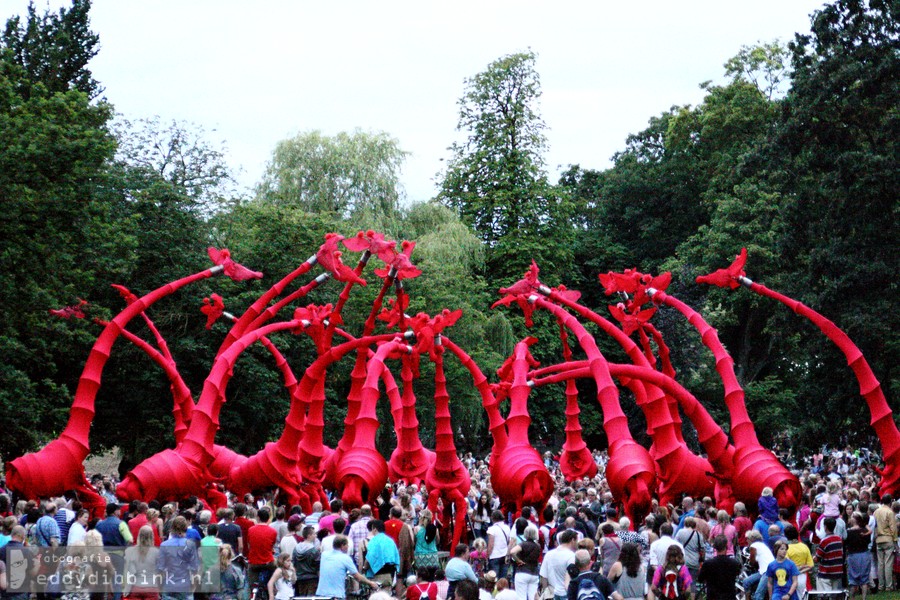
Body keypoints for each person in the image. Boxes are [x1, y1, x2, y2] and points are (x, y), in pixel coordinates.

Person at [315, 535, 381, 599]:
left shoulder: (324, 555)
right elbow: (357, 577)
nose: (348, 546)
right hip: (336, 596)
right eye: (347, 545)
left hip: (321, 594)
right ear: (342, 546)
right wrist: (371, 583)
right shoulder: (345, 558)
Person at [157, 516, 200, 600]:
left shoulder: (164, 545)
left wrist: (159, 588)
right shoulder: (190, 545)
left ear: (172, 528)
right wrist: (194, 587)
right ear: (186, 528)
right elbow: (195, 568)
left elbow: (160, 569)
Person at [697, 535, 740, 600]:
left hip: (713, 596)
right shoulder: (734, 563)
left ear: (715, 547)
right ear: (726, 547)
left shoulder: (708, 564)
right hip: (729, 597)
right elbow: (737, 574)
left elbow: (700, 579)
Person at [124, 525, 160, 600]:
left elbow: (130, 573)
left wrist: (126, 590)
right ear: (152, 536)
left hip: (136, 587)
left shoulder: (130, 551)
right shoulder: (156, 552)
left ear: (139, 535)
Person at [540, 530, 578, 600]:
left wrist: (546, 592)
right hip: (566, 593)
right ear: (572, 540)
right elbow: (573, 576)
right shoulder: (572, 556)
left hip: (552, 593)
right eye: (576, 540)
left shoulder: (549, 554)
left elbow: (543, 576)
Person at [362, 519, 400, 591]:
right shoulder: (390, 541)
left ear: (375, 529)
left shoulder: (374, 541)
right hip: (389, 575)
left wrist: (364, 568)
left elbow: (370, 558)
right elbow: (396, 558)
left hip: (376, 575)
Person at [247, 508, 277, 593]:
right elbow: (271, 546)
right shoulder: (273, 531)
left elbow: (249, 546)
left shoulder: (251, 530)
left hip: (254, 562)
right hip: (268, 562)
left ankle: (252, 593)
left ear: (258, 517)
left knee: (252, 585)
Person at [509, 526, 540, 600]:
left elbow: (512, 552)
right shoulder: (538, 546)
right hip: (534, 573)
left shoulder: (523, 544)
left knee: (521, 597)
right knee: (533, 597)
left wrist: (518, 560)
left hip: (522, 572)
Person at [846, 512, 872, 600]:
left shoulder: (848, 532)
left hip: (853, 556)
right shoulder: (865, 531)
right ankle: (864, 598)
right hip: (865, 554)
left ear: (855, 519)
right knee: (864, 578)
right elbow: (868, 541)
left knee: (853, 579)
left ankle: (852, 597)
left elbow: (846, 543)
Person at [874, 495, 897, 593]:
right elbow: (893, 527)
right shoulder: (890, 512)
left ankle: (881, 585)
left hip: (878, 539)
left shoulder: (876, 511)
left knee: (880, 563)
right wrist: (895, 540)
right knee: (888, 563)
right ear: (890, 502)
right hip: (888, 538)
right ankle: (888, 586)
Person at [814, 517, 844, 591]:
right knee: (835, 594)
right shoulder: (839, 539)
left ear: (825, 527)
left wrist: (814, 557)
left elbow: (817, 558)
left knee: (825, 594)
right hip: (837, 571)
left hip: (826, 573)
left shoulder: (824, 541)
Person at [673, 517, 703, 589]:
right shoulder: (698, 534)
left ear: (685, 523)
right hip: (694, 561)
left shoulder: (680, 532)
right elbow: (702, 549)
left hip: (682, 561)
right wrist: (701, 560)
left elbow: (675, 544)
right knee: (693, 583)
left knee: (681, 582)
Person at [291, 525, 320, 596]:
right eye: (314, 534)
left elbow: (294, 564)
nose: (315, 535)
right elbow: (318, 567)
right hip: (312, 579)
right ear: (309, 535)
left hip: (300, 579)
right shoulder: (314, 551)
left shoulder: (296, 548)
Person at [783, 525, 813, 592]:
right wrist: (801, 570)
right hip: (803, 578)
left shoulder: (785, 549)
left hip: (790, 578)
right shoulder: (804, 546)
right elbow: (811, 565)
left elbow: (786, 566)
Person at [486, 510, 511, 580]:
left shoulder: (491, 529)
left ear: (493, 518)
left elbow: (490, 545)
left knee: (494, 578)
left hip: (494, 556)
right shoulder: (507, 527)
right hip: (505, 555)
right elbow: (509, 542)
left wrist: (487, 555)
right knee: (503, 579)